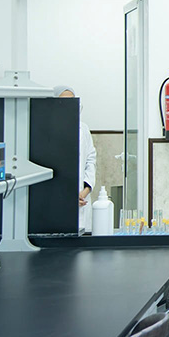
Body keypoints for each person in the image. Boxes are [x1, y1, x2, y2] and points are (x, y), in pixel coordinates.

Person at [54, 85, 96, 232]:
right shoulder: (48, 130)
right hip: (58, 201)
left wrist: (86, 190)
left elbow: (91, 160)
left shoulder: (83, 129)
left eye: (72, 101)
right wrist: (67, 196)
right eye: (63, 102)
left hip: (82, 199)